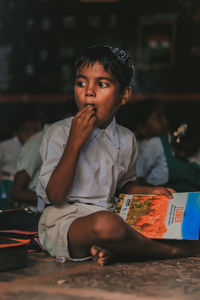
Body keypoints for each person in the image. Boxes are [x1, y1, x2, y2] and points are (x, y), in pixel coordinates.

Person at [36, 45, 199, 266]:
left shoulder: (127, 139)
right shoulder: (59, 133)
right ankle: (168, 251)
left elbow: (122, 188)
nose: (89, 91)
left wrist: (150, 192)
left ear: (124, 95)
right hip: (67, 224)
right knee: (106, 225)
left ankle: (118, 250)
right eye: (81, 83)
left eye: (102, 84)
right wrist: (74, 143)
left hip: (113, 216)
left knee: (155, 211)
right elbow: (55, 195)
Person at [136, 117, 200, 192]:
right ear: (172, 136)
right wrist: (151, 190)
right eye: (178, 148)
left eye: (188, 150)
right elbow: (138, 178)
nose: (182, 154)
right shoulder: (156, 145)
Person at [0, 111, 42, 178]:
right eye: (25, 130)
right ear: (16, 133)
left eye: (36, 131)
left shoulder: (44, 147)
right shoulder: (4, 147)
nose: (31, 135)